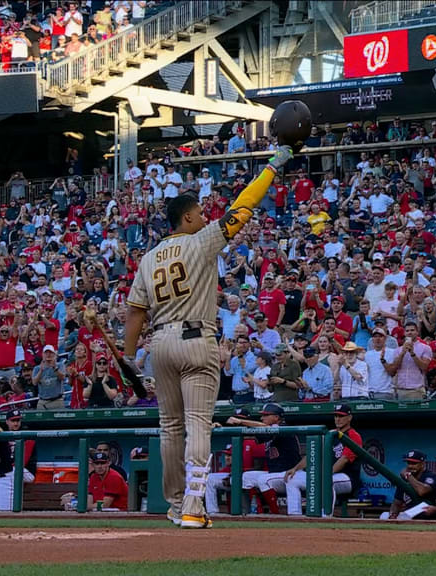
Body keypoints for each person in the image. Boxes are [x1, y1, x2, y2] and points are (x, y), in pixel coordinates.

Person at [123, 145, 293, 528]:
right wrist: (271, 167)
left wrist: (129, 356)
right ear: (186, 217)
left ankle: (174, 502)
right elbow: (244, 207)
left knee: (169, 427)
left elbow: (135, 312)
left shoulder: (149, 258)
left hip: (159, 343)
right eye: (199, 213)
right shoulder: (202, 240)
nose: (205, 217)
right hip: (197, 338)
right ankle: (194, 507)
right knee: (199, 423)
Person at [283, 403, 362, 516]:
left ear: (349, 418)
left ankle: (325, 516)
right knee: (292, 479)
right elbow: (312, 454)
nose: (338, 419)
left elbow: (344, 460)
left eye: (341, 416)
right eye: (336, 416)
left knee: (327, 482)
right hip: (326, 474)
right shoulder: (329, 434)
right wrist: (295, 468)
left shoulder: (353, 435)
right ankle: (295, 515)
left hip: (347, 477)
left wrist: (326, 474)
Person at [226, 403, 301, 515]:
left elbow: (267, 428)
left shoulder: (284, 428)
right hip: (275, 474)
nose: (262, 418)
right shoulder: (268, 430)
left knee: (263, 479)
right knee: (243, 478)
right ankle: (247, 512)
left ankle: (276, 514)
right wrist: (222, 427)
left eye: (266, 415)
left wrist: (241, 421)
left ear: (276, 417)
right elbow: (249, 435)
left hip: (290, 473)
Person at [380, 449, 436, 520]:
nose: (410, 466)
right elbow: (397, 502)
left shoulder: (431, 476)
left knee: (405, 516)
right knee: (384, 515)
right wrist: (392, 514)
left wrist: (408, 476)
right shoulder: (405, 479)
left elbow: (422, 491)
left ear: (422, 464)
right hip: (409, 513)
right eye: (409, 463)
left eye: (414, 463)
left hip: (429, 512)